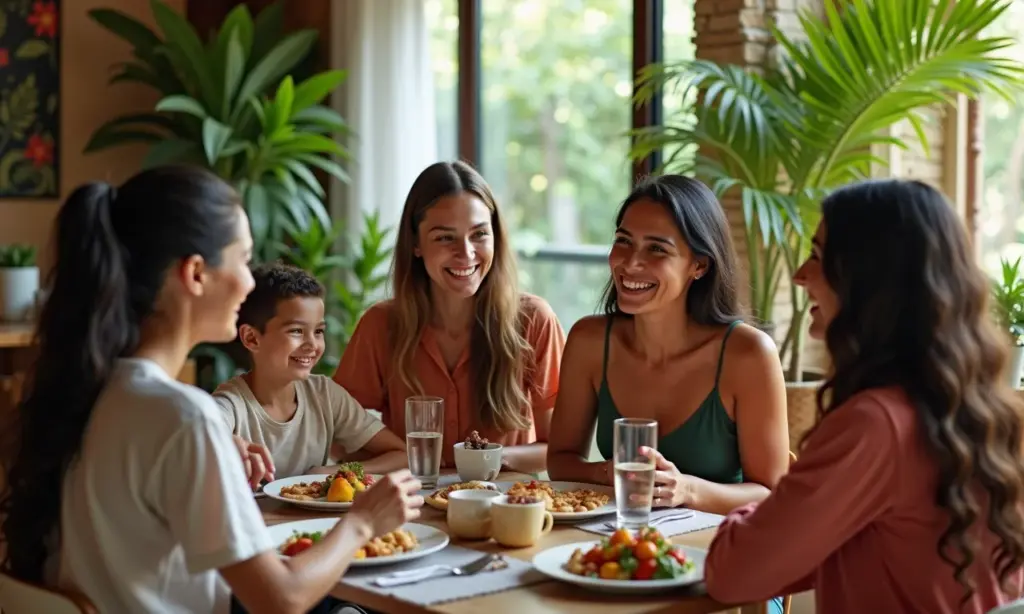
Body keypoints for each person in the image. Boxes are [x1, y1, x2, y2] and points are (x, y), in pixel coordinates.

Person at [0, 166, 423, 614]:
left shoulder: (94, 390)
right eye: (242, 259)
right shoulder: (182, 414)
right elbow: (280, 599)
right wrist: (362, 522)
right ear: (196, 273)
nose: (248, 280)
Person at [704, 179, 1024, 613]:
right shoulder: (982, 410)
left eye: (817, 257)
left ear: (871, 280)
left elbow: (733, 575)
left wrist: (755, 512)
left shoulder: (876, 424)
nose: (800, 275)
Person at [547, 174, 790, 515]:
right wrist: (607, 472)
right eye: (624, 241)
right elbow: (560, 461)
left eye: (657, 249)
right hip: (619, 542)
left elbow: (770, 492)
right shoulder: (589, 341)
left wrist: (686, 489)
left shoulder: (748, 355)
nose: (630, 263)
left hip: (720, 548)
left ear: (699, 265)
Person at [334, 161, 565, 473]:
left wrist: (488, 458)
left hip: (508, 508)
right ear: (415, 244)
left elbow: (560, 449)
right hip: (409, 509)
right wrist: (390, 461)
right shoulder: (380, 326)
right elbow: (339, 434)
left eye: (479, 234)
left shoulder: (534, 320)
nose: (466, 253)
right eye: (445, 238)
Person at [214, 262, 407, 479]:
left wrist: (332, 472)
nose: (312, 345)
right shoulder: (230, 406)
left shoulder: (324, 394)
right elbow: (203, 435)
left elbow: (402, 455)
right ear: (252, 338)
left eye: (318, 331)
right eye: (296, 331)